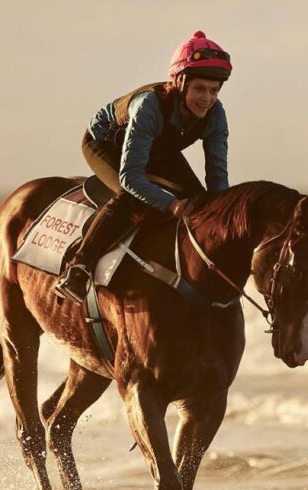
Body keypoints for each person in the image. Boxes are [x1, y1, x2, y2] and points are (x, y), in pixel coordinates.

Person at [54, 30, 232, 302]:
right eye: (199, 89)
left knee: (200, 201)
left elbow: (217, 179)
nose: (207, 98)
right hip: (105, 143)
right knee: (133, 198)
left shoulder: (216, 114)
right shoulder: (149, 105)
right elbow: (130, 177)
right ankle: (78, 269)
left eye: (213, 90)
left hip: (160, 148)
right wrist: (171, 204)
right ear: (180, 82)